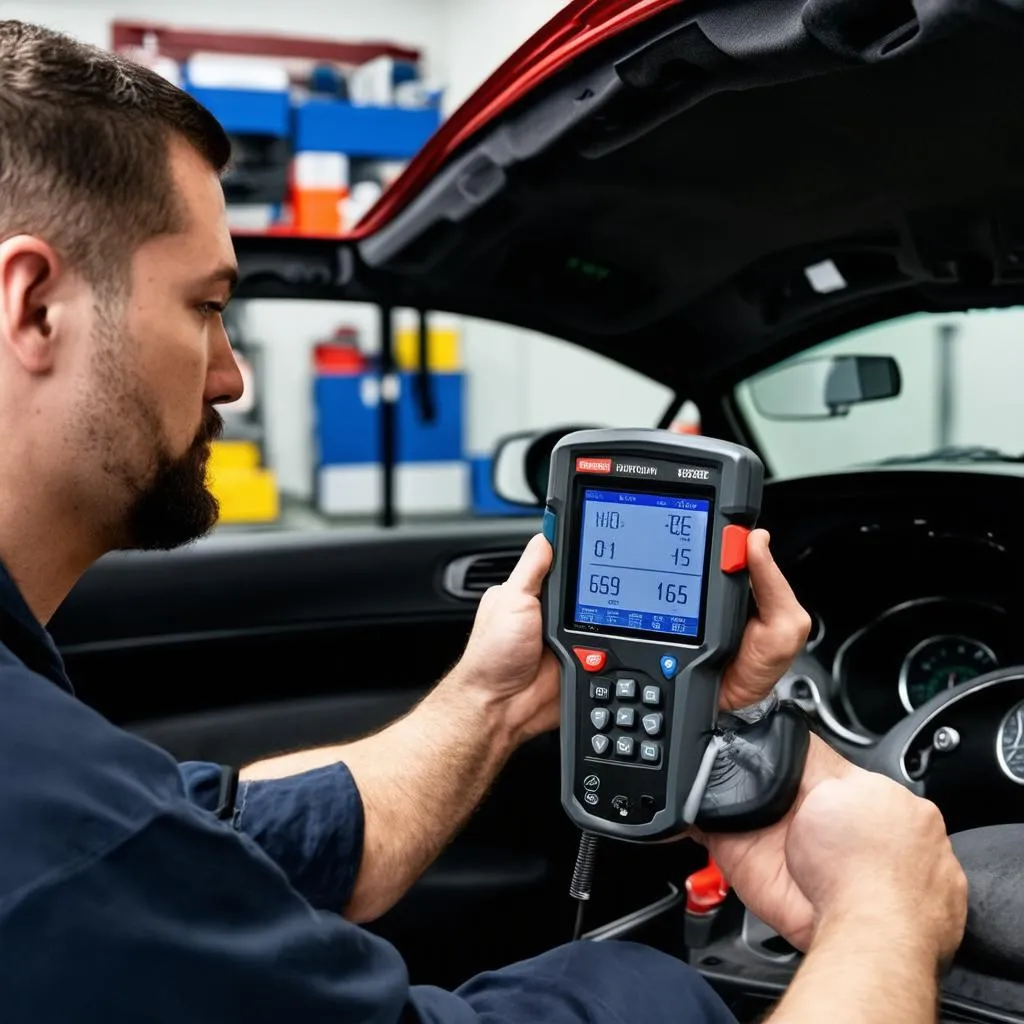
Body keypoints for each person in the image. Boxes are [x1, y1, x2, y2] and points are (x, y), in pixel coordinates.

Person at [0, 19, 966, 1024]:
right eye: (205, 306)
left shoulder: (66, 794)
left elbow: (218, 839)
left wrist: (502, 695)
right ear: (33, 306)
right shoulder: (53, 828)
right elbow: (120, 855)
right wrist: (886, 909)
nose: (233, 374)